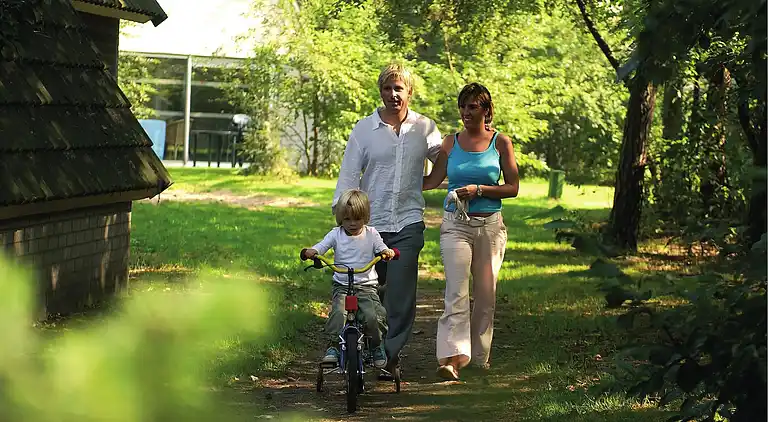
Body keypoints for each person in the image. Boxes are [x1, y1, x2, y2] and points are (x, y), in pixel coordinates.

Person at [333, 63, 442, 367]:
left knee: (399, 297)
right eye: (387, 88)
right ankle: (365, 346)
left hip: (408, 223)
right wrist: (341, 214)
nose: (393, 94)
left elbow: (446, 158)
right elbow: (348, 176)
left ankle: (388, 356)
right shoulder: (364, 129)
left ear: (410, 92)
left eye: (399, 89)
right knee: (367, 292)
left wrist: (432, 182)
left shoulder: (425, 128)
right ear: (380, 91)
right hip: (369, 227)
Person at [423, 82, 520, 380]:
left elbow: (512, 188)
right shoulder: (450, 143)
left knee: (485, 295)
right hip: (456, 225)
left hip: (490, 227)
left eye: (473, 106)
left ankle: (479, 359)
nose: (466, 112)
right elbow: (431, 181)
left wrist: (479, 189)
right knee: (456, 291)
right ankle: (451, 359)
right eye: (463, 106)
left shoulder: (501, 142)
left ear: (486, 110)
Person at [302, 189, 396, 369]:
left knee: (373, 317)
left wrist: (386, 252)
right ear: (340, 218)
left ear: (365, 217)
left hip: (366, 286)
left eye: (357, 219)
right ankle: (333, 347)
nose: (352, 224)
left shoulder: (371, 233)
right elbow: (322, 246)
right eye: (347, 219)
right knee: (338, 314)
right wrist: (313, 252)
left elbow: (381, 246)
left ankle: (376, 346)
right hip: (342, 286)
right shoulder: (335, 234)